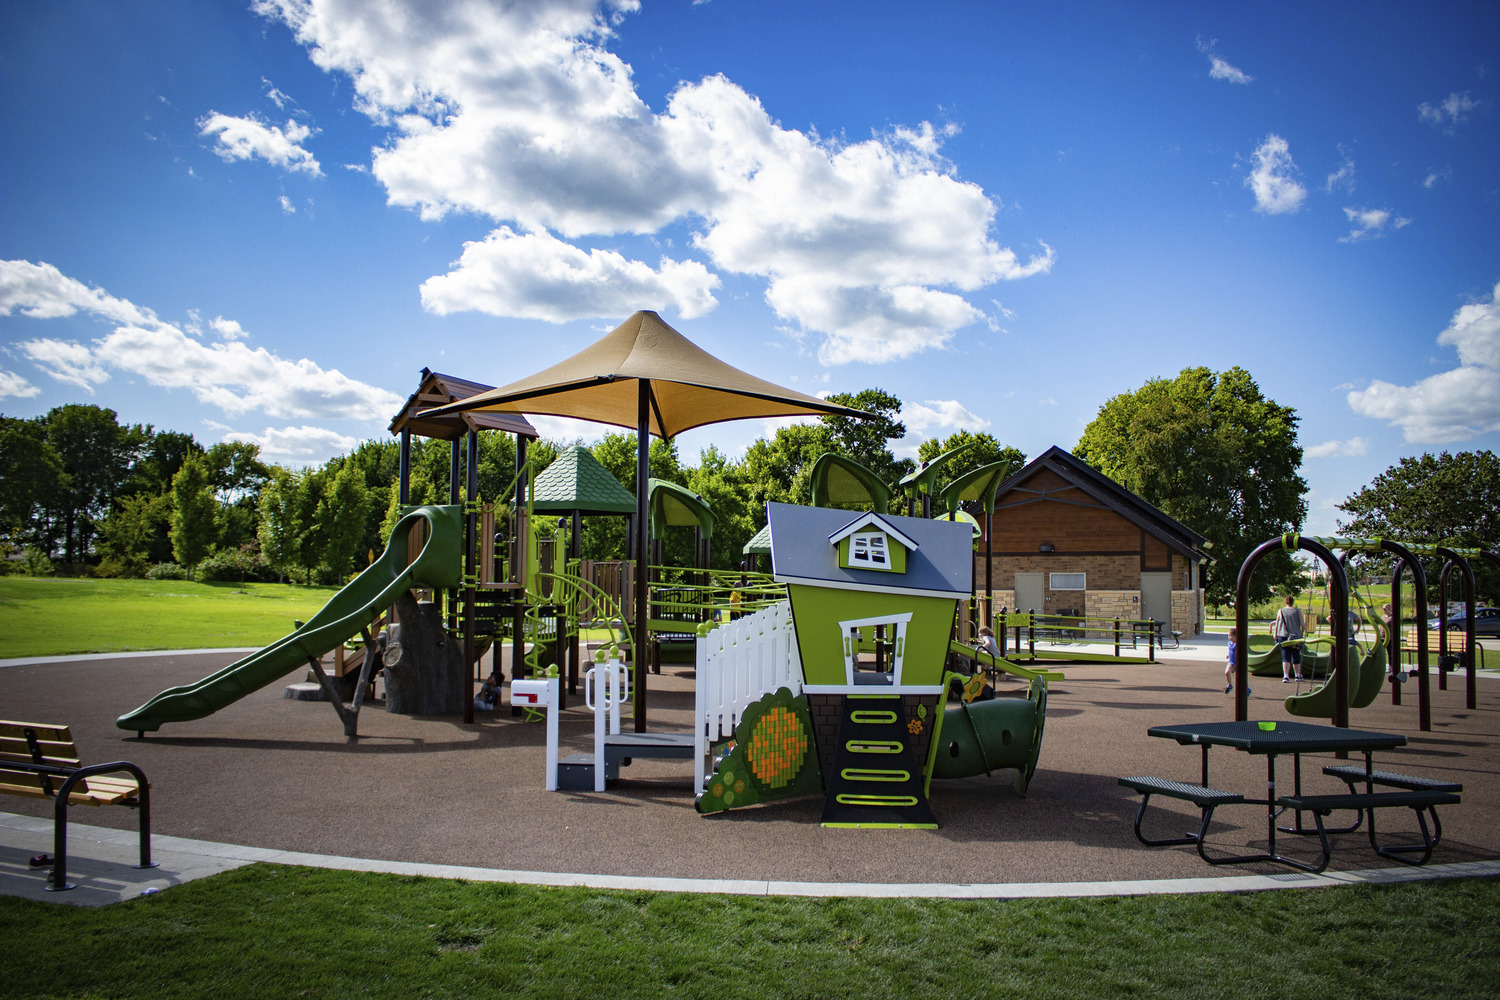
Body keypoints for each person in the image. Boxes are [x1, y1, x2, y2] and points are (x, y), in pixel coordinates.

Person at [1272, 595, 1305, 683]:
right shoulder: (1298, 611)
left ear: (1285, 602)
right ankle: (1297, 675)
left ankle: (1286, 675)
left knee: (1285, 655)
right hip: (1296, 636)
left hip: (1283, 635)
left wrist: (1276, 634)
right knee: (1296, 655)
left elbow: (1278, 624)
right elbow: (1303, 624)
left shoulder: (1281, 611)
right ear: (1293, 601)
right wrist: (1302, 632)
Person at [1224, 627, 1249, 695]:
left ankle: (1247, 688)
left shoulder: (1237, 644)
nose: (1229, 637)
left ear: (1236, 636)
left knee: (1241, 678)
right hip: (1231, 662)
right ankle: (1230, 685)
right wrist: (1228, 655)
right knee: (1227, 672)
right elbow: (1230, 651)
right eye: (1229, 635)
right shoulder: (1229, 643)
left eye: (1231, 636)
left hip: (1238, 663)